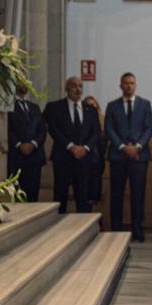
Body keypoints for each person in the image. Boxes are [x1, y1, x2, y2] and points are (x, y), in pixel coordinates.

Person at [105, 73, 152, 242]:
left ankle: (137, 229)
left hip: (139, 156)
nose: (129, 86)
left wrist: (137, 146)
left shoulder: (145, 104)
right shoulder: (112, 106)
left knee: (138, 194)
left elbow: (148, 128)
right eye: (126, 83)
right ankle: (116, 229)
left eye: (132, 83)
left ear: (136, 85)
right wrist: (123, 147)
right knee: (116, 193)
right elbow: (109, 129)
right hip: (118, 155)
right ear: (120, 86)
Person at [44, 76, 100, 214]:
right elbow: (53, 129)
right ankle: (57, 229)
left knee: (83, 196)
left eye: (80, 86)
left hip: (84, 159)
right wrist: (70, 146)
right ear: (66, 88)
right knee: (60, 195)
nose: (78, 89)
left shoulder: (90, 110)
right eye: (74, 86)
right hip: (63, 157)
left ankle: (83, 229)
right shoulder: (55, 107)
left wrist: (85, 148)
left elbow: (96, 132)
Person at [7, 83, 46, 202]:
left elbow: (42, 130)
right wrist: (19, 144)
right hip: (17, 156)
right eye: (19, 80)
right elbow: (8, 129)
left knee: (33, 194)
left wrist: (33, 144)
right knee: (17, 194)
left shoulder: (34, 107)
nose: (23, 83)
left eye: (25, 80)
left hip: (35, 156)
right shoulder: (8, 105)